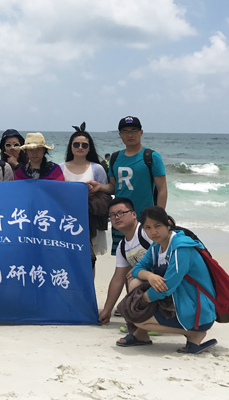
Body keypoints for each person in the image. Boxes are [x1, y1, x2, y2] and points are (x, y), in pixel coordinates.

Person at [116, 206, 217, 354]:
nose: (153, 232)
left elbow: (167, 287)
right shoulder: (157, 246)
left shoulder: (181, 248)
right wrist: (149, 276)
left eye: (157, 226)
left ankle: (194, 333)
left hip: (196, 307)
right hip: (177, 299)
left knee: (138, 317)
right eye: (148, 228)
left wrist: (140, 301)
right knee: (135, 282)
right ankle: (140, 335)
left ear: (168, 224)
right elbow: (137, 269)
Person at [87, 116, 167, 255]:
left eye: (133, 130)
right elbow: (113, 187)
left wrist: (158, 217)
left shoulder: (151, 157)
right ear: (120, 135)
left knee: (146, 259)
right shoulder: (115, 157)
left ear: (141, 132)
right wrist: (100, 187)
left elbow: (162, 189)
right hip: (120, 219)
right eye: (125, 131)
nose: (130, 135)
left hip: (145, 219)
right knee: (122, 258)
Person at [59, 123, 109, 270]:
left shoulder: (97, 168)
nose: (80, 147)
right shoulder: (60, 168)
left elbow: (105, 193)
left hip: (89, 220)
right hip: (66, 221)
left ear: (89, 148)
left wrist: (94, 191)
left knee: (89, 260)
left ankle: (89, 286)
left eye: (84, 145)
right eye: (76, 144)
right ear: (70, 146)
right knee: (67, 260)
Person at [98, 197, 152, 324]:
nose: (117, 217)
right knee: (130, 277)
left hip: (165, 279)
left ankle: (145, 322)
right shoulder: (122, 247)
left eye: (121, 213)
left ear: (134, 215)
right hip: (149, 283)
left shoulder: (146, 232)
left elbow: (165, 254)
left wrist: (141, 269)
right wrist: (107, 310)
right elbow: (118, 279)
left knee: (134, 278)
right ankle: (142, 319)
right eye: (112, 215)